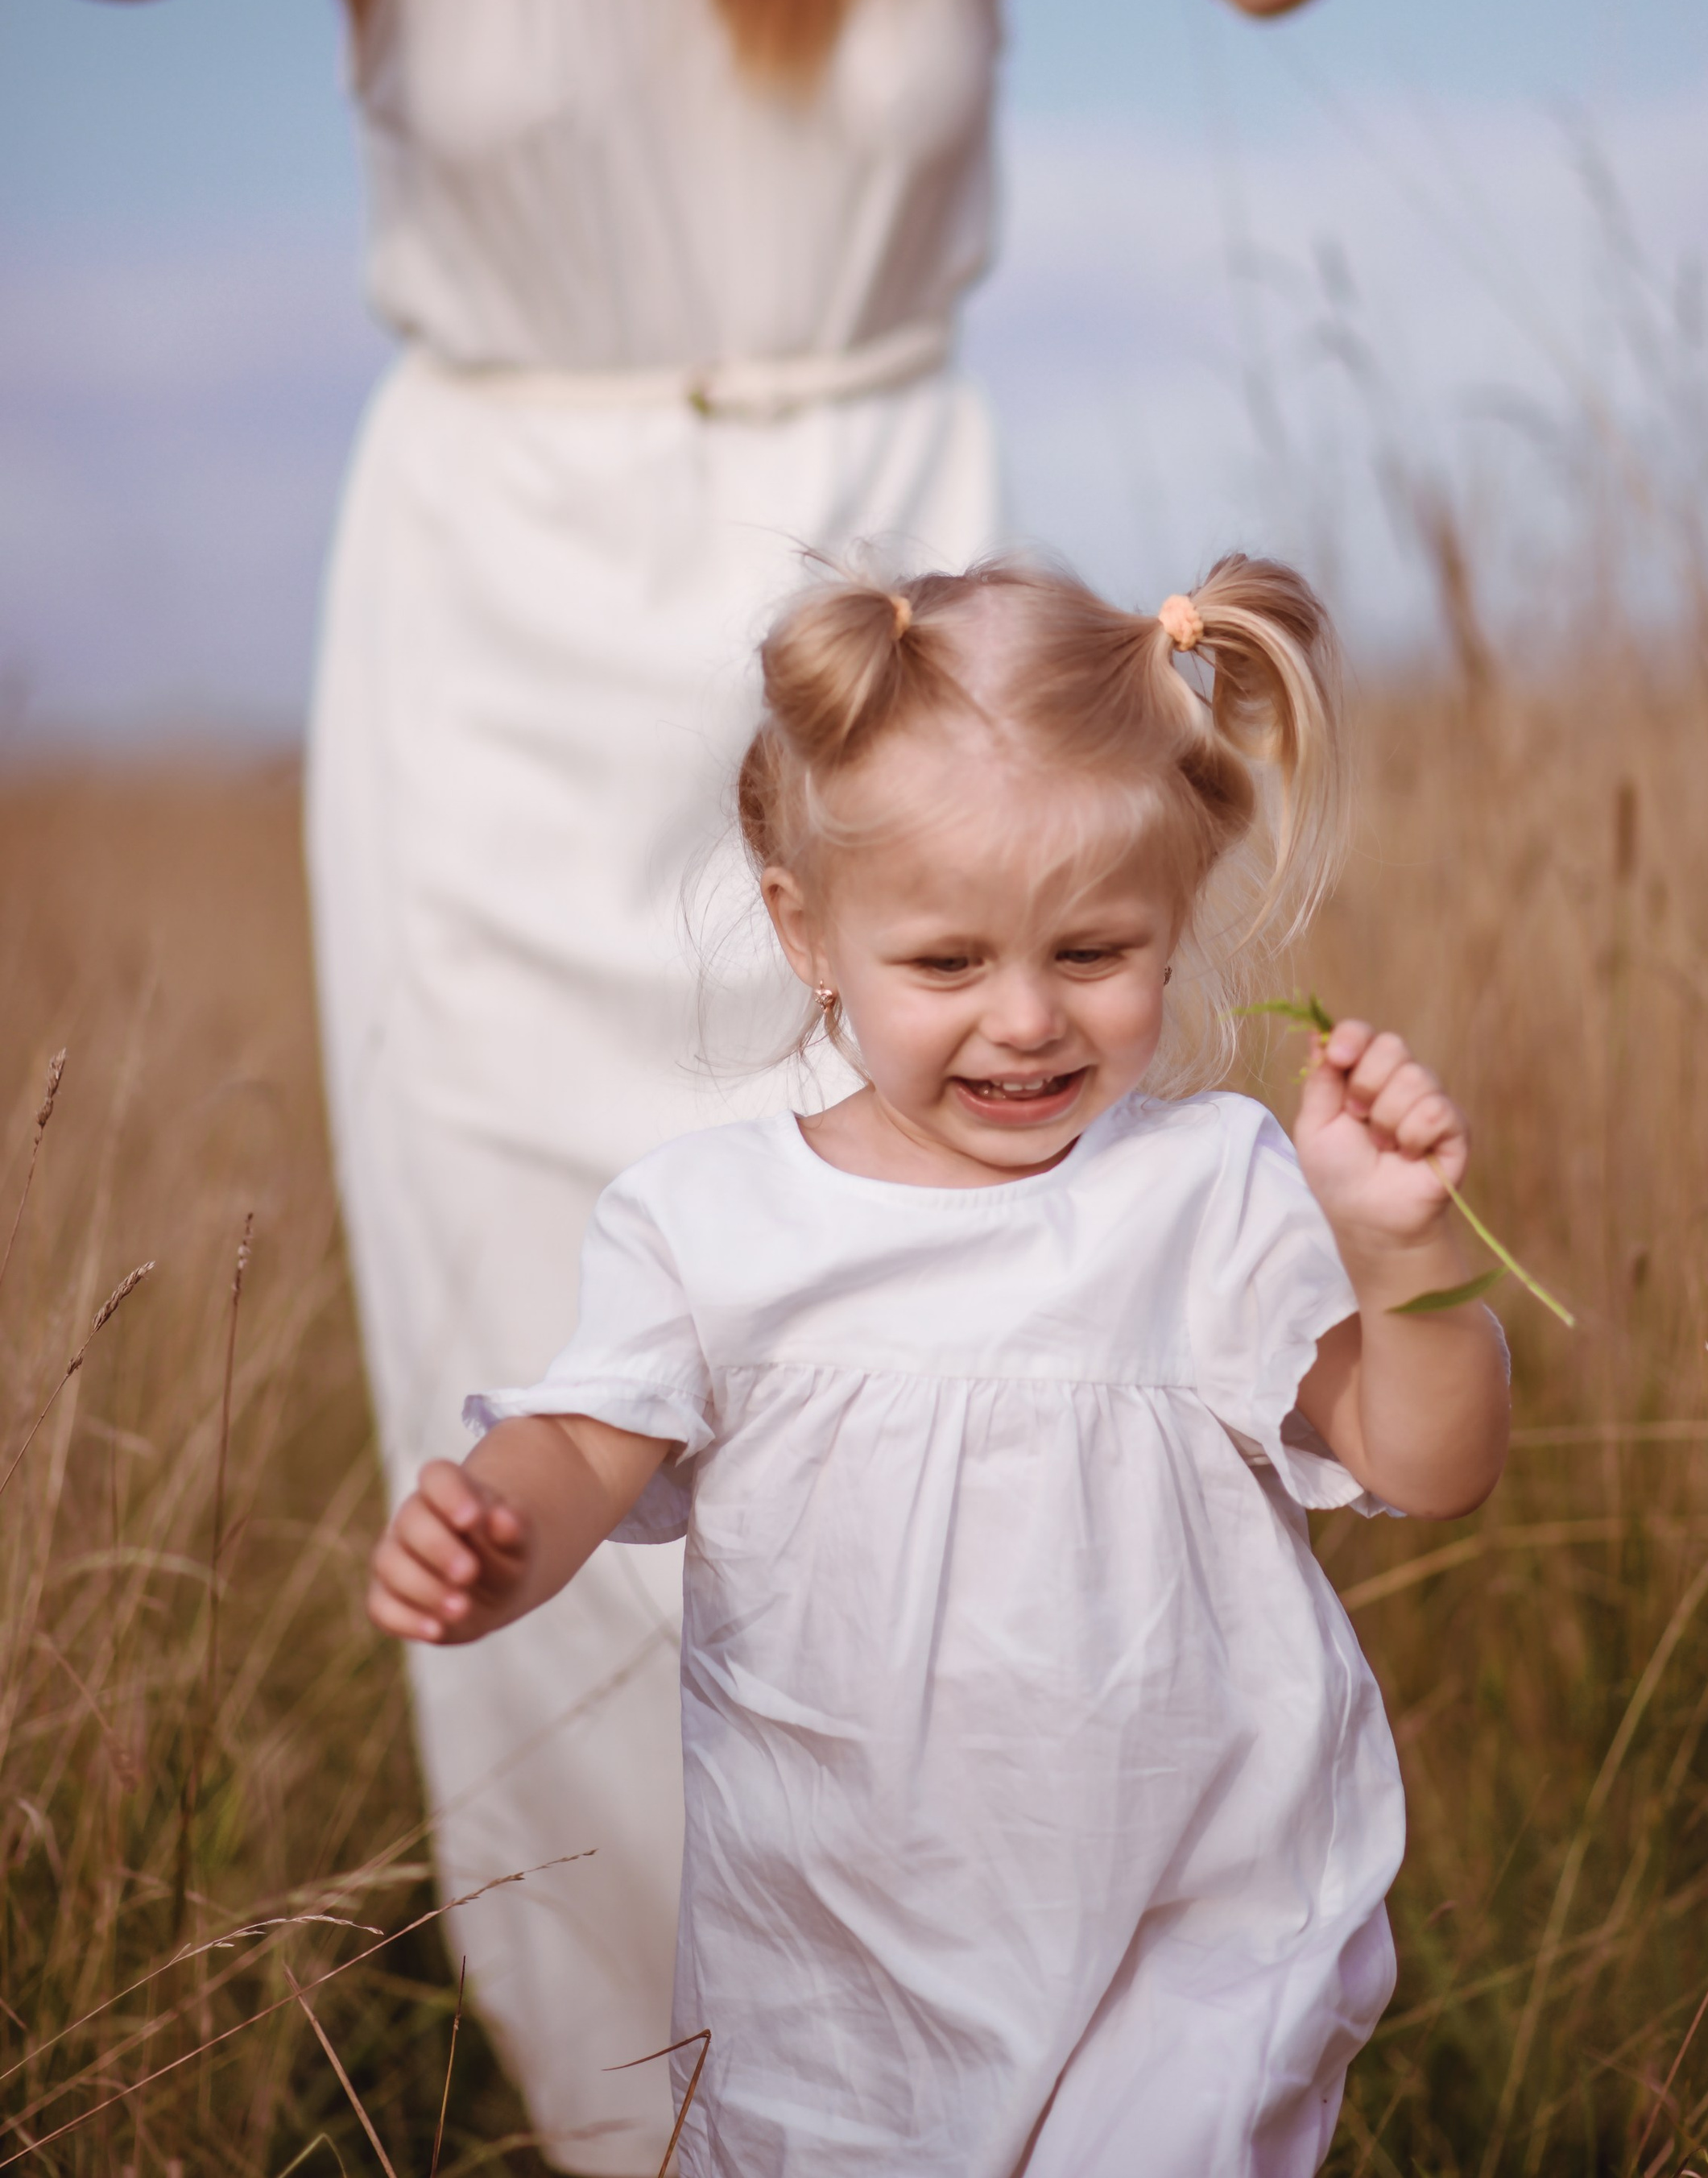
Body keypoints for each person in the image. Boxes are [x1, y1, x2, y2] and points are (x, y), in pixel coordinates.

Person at [26, 0, 1348, 2162]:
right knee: (563, 1390)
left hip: (896, 615)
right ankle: (675, 2114)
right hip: (494, 624)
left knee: (931, 1356)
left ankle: (1013, 2080)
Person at [369, 552, 1512, 2177]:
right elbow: (574, 1452)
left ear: (1175, 913)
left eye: (1096, 951)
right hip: (835, 1983)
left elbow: (1428, 1462)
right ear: (807, 930)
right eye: (948, 963)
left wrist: (1404, 1256)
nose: (1026, 1019)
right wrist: (488, 1526)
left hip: (1185, 1948)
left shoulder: (1208, 1191)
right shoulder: (712, 1227)